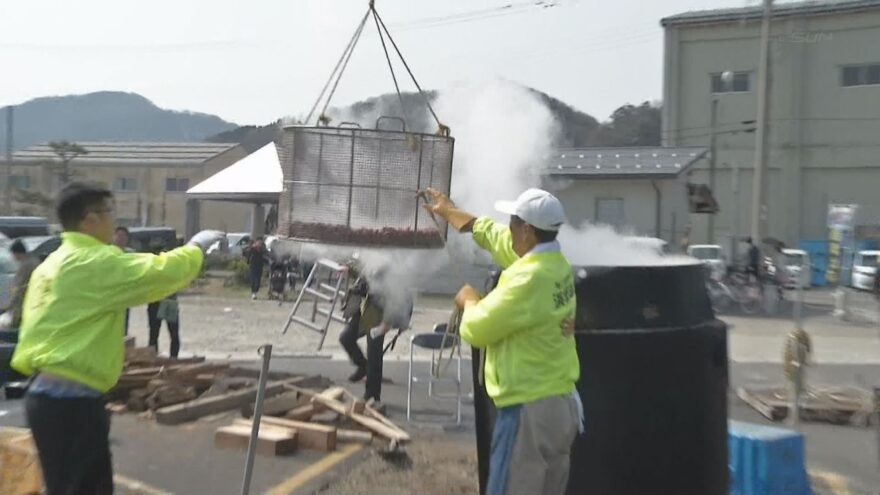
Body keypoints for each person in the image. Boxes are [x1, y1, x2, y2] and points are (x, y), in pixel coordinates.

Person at [11, 182, 223, 495]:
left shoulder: (52, 264)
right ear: (89, 219)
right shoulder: (92, 262)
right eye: (108, 212)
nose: (113, 220)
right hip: (72, 403)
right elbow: (158, 272)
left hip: (48, 397)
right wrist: (196, 247)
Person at [423, 187, 582, 495]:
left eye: (513, 222)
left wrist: (468, 301)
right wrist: (451, 213)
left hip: (527, 414)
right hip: (559, 407)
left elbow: (477, 329)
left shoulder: (526, 280)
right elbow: (496, 236)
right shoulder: (555, 263)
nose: (507, 228)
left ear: (527, 230)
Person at [339, 263, 413, 405]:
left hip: (382, 315)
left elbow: (396, 301)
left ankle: (372, 395)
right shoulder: (376, 260)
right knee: (346, 338)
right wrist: (350, 268)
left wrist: (386, 324)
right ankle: (362, 366)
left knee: (374, 355)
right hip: (365, 309)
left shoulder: (394, 273)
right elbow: (365, 273)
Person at [0, 239, 40, 342]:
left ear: (17, 253)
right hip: (33, 303)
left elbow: (18, 288)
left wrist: (9, 305)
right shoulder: (34, 261)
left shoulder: (26, 265)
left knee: (15, 333)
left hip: (23, 305)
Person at [113, 226, 133, 335]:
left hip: (125, 295)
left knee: (124, 323)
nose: (121, 238)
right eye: (118, 236)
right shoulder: (107, 253)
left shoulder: (131, 254)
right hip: (110, 294)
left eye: (123, 236)